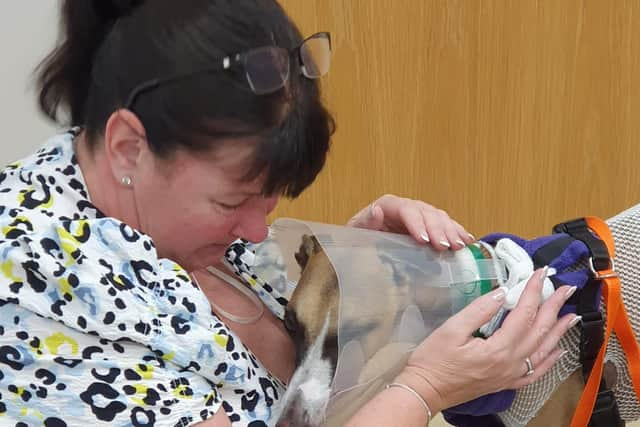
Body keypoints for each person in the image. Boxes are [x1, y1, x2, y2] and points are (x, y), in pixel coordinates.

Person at [0, 1, 578, 426]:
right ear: (129, 146)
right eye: (231, 203)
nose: (256, 232)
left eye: (271, 199)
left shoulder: (160, 227)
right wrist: (424, 390)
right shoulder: (36, 285)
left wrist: (354, 272)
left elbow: (292, 401)